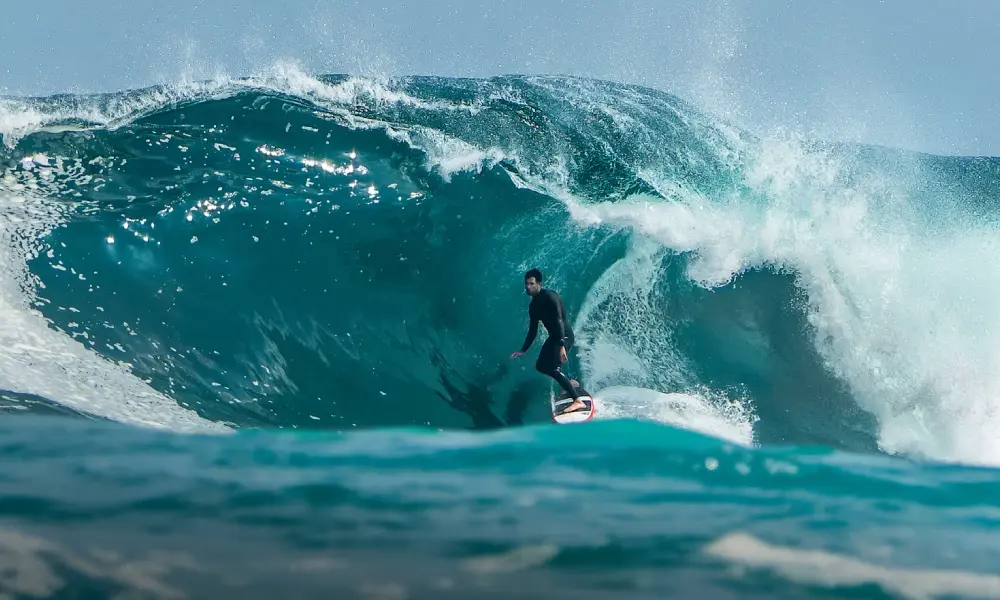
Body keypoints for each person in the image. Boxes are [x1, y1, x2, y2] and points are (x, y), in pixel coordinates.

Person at [509, 268, 587, 415]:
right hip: (554, 337)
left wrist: (561, 345)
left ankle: (577, 401)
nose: (528, 287)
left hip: (564, 335)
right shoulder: (533, 306)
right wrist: (523, 350)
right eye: (526, 284)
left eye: (531, 284)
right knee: (541, 365)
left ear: (539, 284)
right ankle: (569, 382)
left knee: (553, 369)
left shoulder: (551, 297)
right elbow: (533, 330)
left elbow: (559, 321)